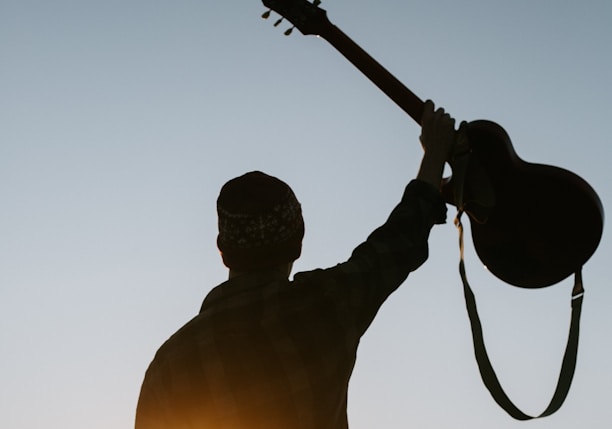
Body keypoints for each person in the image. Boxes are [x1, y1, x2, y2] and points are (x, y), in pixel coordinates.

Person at [135, 100, 456, 429]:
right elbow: (397, 244)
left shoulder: (168, 366)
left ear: (222, 249)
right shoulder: (326, 304)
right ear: (298, 242)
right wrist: (434, 154)